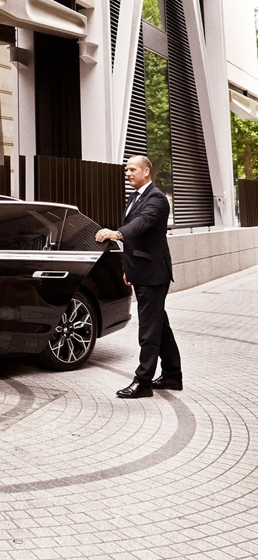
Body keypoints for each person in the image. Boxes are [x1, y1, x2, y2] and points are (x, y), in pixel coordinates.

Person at [95, 155, 182, 399]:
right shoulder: (135, 197)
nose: (128, 173)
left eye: (132, 169)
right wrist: (129, 269)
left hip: (154, 274)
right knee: (159, 326)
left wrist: (117, 233)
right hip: (142, 271)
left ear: (146, 171)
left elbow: (142, 224)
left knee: (149, 329)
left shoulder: (157, 199)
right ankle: (173, 375)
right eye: (126, 170)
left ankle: (143, 381)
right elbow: (138, 240)